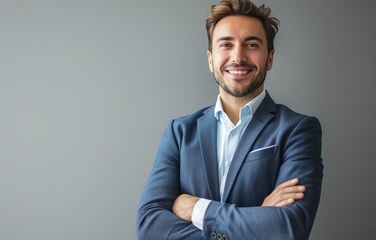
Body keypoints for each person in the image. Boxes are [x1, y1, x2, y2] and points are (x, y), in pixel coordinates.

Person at [136, 0, 323, 239]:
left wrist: (197, 208)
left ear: (270, 58)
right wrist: (257, 219)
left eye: (252, 44)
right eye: (226, 44)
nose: (238, 56)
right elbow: (149, 226)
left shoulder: (298, 130)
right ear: (210, 58)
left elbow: (288, 229)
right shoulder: (179, 132)